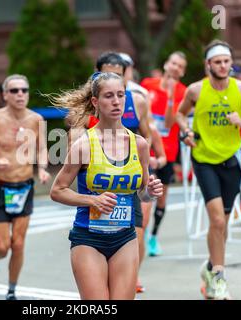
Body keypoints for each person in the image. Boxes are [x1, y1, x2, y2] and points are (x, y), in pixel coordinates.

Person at [49, 72, 163, 299]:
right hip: (89, 239)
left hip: (125, 237)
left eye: (120, 95)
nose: (116, 101)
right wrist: (92, 200)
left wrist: (149, 192)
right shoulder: (84, 145)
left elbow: (141, 193)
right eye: (109, 96)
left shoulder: (139, 144)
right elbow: (57, 190)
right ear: (95, 102)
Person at [176, 40, 241, 300]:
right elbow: (179, 114)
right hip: (204, 158)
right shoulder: (195, 90)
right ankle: (220, 279)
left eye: (226, 61)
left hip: (232, 160)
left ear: (231, 63)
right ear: (208, 64)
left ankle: (210, 269)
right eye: (217, 61)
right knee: (218, 221)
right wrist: (186, 131)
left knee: (222, 223)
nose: (222, 66)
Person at [88, 52, 167, 293]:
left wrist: (159, 156)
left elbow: (149, 130)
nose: (115, 99)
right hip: (99, 182)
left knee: (137, 231)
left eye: (119, 79)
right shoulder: (88, 108)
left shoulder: (138, 101)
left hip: (131, 176)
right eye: (106, 75)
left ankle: (132, 274)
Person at [0, 74, 51, 300]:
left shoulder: (36, 119)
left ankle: (11, 290)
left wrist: (42, 168)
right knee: (3, 245)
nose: (20, 95)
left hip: (24, 187)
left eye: (24, 90)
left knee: (18, 244)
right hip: (1, 187)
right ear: (5, 95)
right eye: (15, 91)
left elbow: (42, 149)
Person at [140, 51, 188, 256]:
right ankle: (138, 236)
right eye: (173, 63)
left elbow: (168, 124)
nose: (175, 67)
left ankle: (153, 237)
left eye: (180, 66)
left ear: (183, 71)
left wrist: (169, 97)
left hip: (167, 152)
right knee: (143, 193)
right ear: (166, 64)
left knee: (161, 196)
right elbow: (140, 114)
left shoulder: (183, 92)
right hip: (145, 148)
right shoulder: (147, 84)